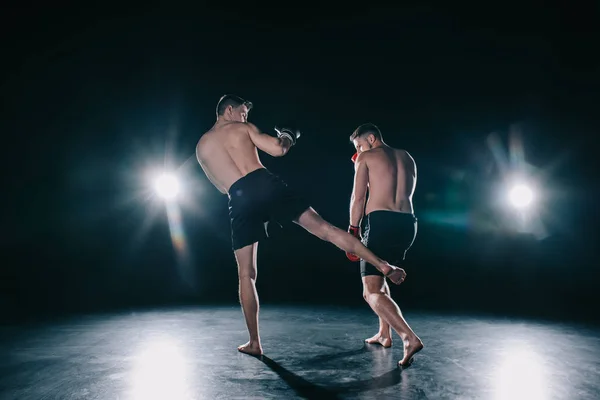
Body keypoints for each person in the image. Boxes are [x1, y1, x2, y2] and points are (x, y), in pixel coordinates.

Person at [195, 95, 407, 356]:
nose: (245, 117)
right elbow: (278, 149)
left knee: (246, 274)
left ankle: (254, 343)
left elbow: (220, 187)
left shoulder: (202, 147)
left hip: (237, 198)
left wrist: (246, 199)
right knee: (324, 230)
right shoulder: (243, 128)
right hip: (263, 183)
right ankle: (383, 265)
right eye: (242, 112)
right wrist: (287, 134)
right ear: (229, 109)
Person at [346, 122, 423, 367]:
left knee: (370, 292)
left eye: (359, 145)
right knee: (382, 276)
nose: (358, 151)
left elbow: (359, 197)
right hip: (408, 223)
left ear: (371, 138)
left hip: (381, 223)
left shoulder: (366, 157)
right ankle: (384, 334)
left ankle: (408, 337)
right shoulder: (407, 157)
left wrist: (353, 230)